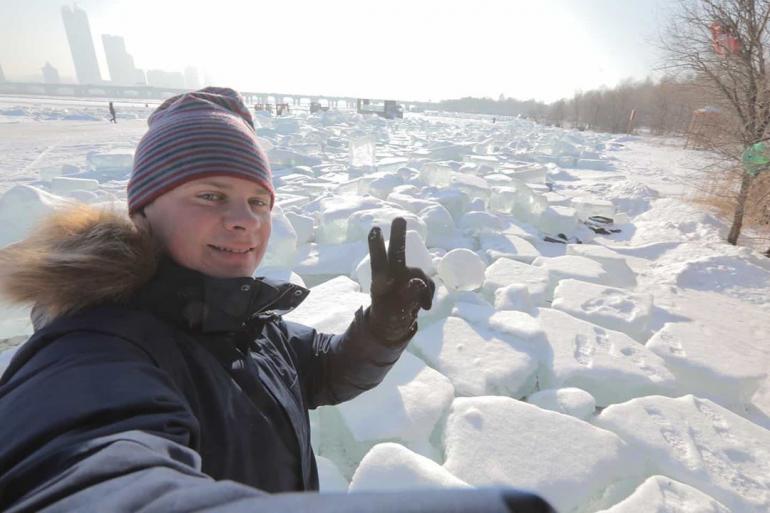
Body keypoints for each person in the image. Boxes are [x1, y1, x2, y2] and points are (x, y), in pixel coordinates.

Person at [0, 88, 552, 513]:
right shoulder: (94, 348)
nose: (244, 220)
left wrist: (383, 327)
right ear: (142, 209)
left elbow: (324, 371)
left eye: (259, 201)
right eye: (210, 195)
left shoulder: (243, 323)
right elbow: (89, 480)